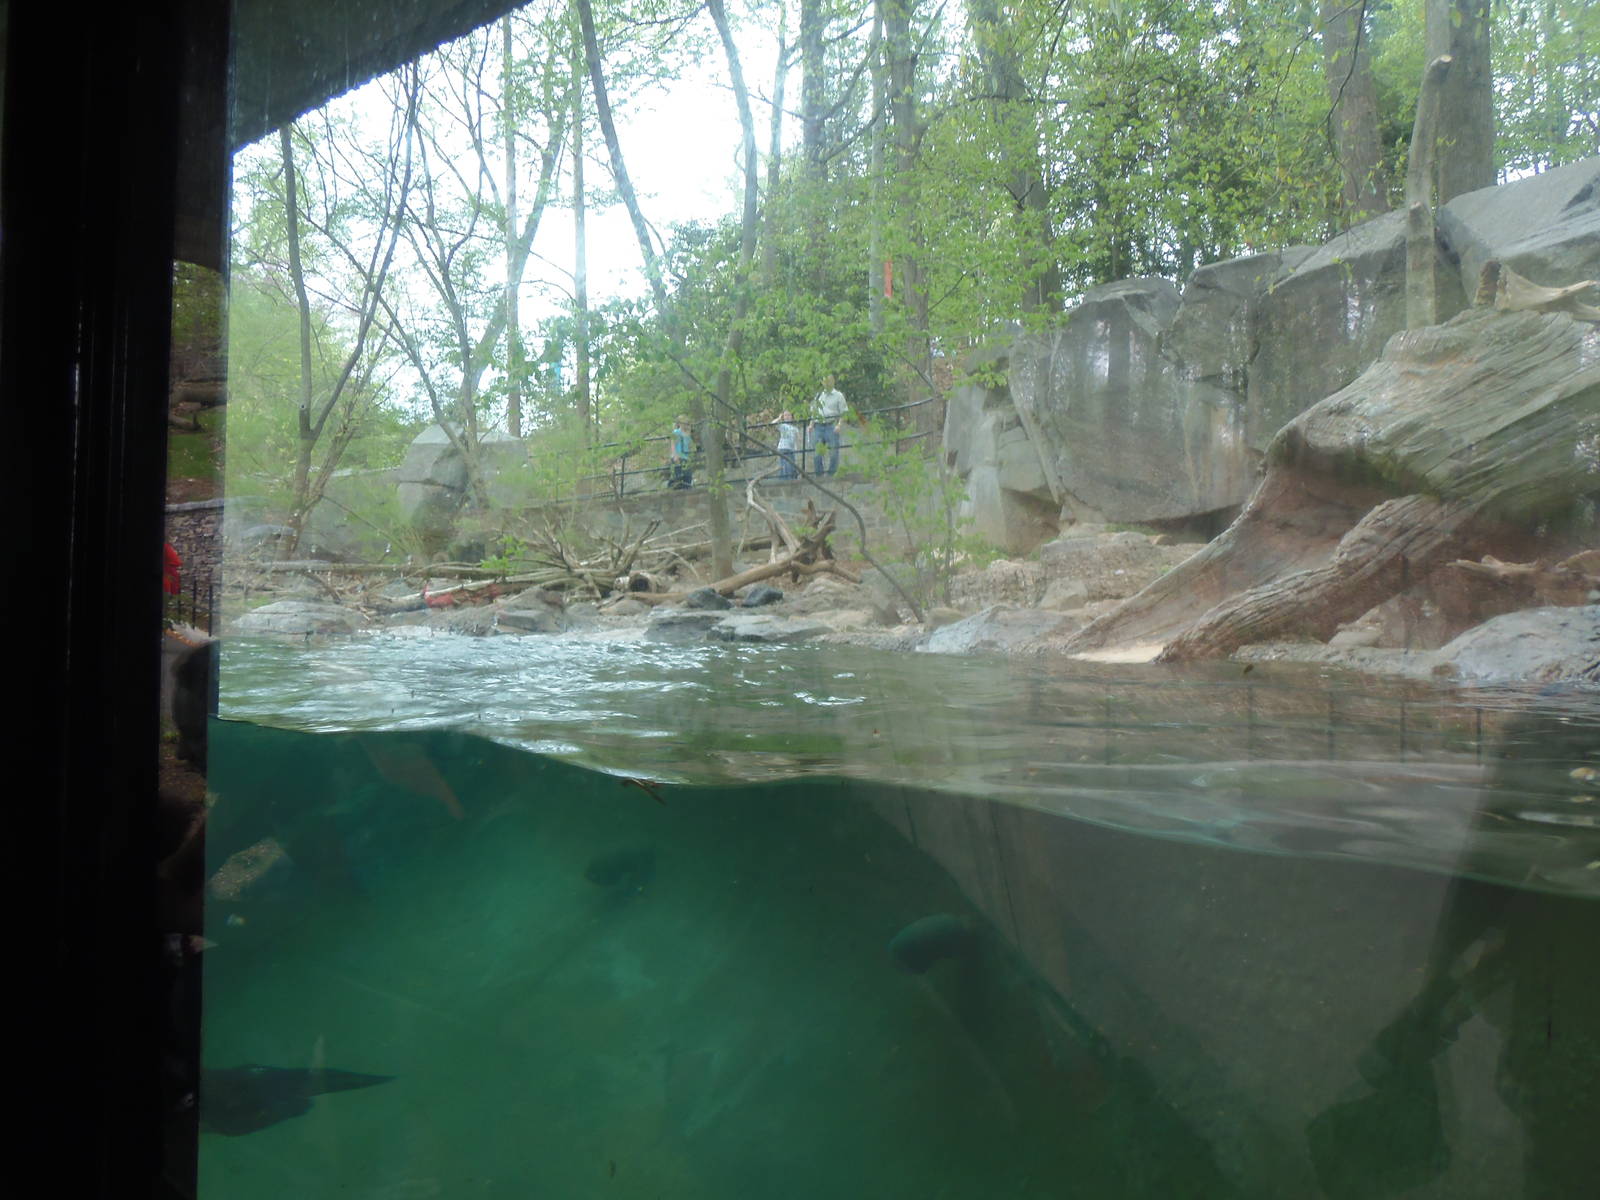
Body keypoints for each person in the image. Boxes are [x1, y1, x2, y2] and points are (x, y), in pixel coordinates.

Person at [811, 375, 848, 476]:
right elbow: (814, 411)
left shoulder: (838, 395)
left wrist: (839, 425)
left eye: (829, 381)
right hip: (818, 426)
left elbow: (844, 412)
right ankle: (819, 475)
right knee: (817, 454)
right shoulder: (819, 395)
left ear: (833, 382)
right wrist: (811, 425)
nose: (826, 383)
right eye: (824, 381)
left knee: (833, 452)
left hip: (831, 425)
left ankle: (831, 474)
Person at [667, 415, 693, 489]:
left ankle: (686, 490)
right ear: (679, 423)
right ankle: (670, 488)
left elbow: (689, 445)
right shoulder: (676, 432)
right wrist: (675, 455)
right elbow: (673, 444)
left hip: (686, 458)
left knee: (688, 476)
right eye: (683, 422)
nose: (685, 424)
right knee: (677, 476)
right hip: (678, 456)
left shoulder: (688, 433)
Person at [776, 410, 799, 479]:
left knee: (791, 465)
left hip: (791, 449)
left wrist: (796, 448)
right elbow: (773, 424)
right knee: (786, 465)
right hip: (783, 448)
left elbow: (797, 439)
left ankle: (791, 478)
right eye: (785, 415)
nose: (787, 417)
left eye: (789, 415)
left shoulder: (795, 428)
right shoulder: (782, 426)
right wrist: (779, 418)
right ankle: (785, 479)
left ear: (792, 417)